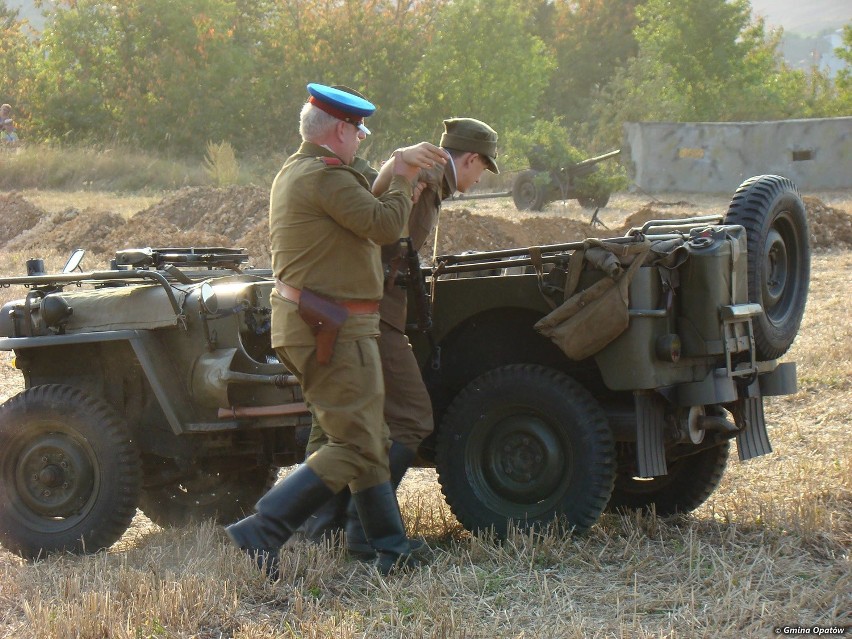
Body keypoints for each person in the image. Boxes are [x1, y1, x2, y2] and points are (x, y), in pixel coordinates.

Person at [224, 83, 447, 579]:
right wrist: (405, 172)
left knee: (366, 437)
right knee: (353, 443)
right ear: (340, 131)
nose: (361, 139)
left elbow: (367, 200)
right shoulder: (324, 177)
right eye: (358, 131)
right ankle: (263, 528)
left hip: (331, 324)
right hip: (331, 328)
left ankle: (384, 546)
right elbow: (388, 224)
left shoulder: (304, 171)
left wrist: (395, 168)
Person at [299, 117, 499, 555]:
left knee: (344, 423)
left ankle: (323, 529)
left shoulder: (425, 177)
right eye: (483, 168)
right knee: (409, 415)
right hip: (366, 308)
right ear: (469, 158)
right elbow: (378, 232)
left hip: (364, 306)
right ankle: (364, 530)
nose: (481, 177)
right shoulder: (424, 180)